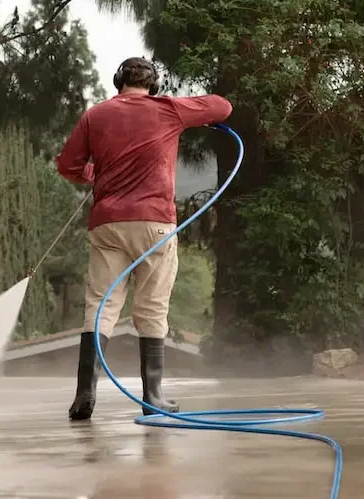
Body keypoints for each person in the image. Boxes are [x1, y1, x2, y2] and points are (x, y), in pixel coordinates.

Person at [56, 56, 233, 422]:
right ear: (153, 86)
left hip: (107, 225)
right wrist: (194, 114)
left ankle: (84, 396)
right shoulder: (168, 109)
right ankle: (152, 396)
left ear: (118, 80)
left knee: (100, 307)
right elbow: (222, 106)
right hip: (155, 224)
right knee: (152, 308)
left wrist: (98, 174)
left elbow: (68, 166)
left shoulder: (96, 115)